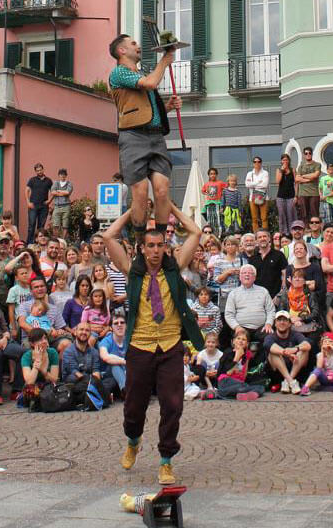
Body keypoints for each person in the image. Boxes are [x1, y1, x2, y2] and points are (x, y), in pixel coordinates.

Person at [104, 204, 203, 486]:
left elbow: (195, 231)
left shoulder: (175, 268)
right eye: (150, 245)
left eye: (160, 245)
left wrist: (169, 207)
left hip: (171, 346)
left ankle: (166, 461)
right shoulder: (131, 271)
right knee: (134, 408)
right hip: (140, 346)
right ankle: (133, 441)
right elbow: (110, 237)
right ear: (143, 248)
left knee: (173, 405)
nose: (156, 250)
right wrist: (135, 212)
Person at [108, 34, 182, 245]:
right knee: (140, 193)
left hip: (155, 135)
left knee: (161, 190)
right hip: (133, 136)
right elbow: (150, 83)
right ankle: (140, 242)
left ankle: (159, 240)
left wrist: (167, 107)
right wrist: (164, 62)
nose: (138, 46)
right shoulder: (119, 72)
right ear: (121, 51)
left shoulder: (138, 73)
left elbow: (148, 110)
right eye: (133, 44)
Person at [263, 311, 311, 394]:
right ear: (275, 323)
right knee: (273, 352)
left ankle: (287, 381)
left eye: (285, 320)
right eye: (279, 320)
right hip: (277, 371)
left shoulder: (296, 334)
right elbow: (267, 345)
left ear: (289, 324)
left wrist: (294, 349)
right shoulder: (271, 336)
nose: (282, 322)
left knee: (303, 350)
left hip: (295, 368)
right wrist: (286, 353)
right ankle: (291, 382)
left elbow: (307, 345)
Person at [224, 265, 275, 342]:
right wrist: (236, 327)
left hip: (261, 328)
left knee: (269, 338)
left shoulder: (263, 291)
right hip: (241, 328)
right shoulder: (233, 293)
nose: (247, 275)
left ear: (254, 277)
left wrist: (269, 324)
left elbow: (271, 310)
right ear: (240, 277)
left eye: (250, 273)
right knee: (239, 340)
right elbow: (229, 314)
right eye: (244, 273)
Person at [217, 327, 264, 401]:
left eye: (243, 339)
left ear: (247, 344)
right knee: (242, 386)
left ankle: (243, 394)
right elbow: (228, 373)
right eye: (238, 338)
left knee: (261, 387)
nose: (240, 341)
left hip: (239, 383)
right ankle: (219, 393)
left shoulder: (247, 354)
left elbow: (244, 374)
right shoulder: (228, 352)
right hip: (226, 380)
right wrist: (237, 356)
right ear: (233, 341)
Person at [249, 230, 288, 301]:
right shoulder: (252, 258)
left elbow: (284, 274)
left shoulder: (279, 255)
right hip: (257, 298)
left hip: (275, 298)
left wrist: (280, 295)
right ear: (256, 241)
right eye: (260, 237)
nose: (262, 239)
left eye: (264, 236)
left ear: (269, 239)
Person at [98, 315, 129, 394]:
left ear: (126, 326)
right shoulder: (106, 341)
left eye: (122, 322)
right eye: (116, 323)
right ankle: (126, 391)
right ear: (111, 328)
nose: (119, 325)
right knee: (115, 364)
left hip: (127, 372)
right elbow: (105, 357)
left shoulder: (129, 339)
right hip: (109, 376)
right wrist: (126, 362)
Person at [25, 162, 53, 243]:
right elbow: (26, 190)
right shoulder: (32, 180)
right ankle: (29, 243)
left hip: (44, 207)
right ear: (35, 171)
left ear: (43, 170)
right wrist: (28, 202)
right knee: (31, 226)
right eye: (37, 171)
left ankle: (39, 243)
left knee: (41, 227)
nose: (39, 172)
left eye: (40, 170)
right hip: (33, 206)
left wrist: (50, 200)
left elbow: (53, 191)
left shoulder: (48, 180)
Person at [245, 156, 269, 232]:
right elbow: (247, 185)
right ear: (253, 163)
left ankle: (264, 234)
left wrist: (253, 184)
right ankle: (256, 235)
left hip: (263, 197)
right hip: (252, 198)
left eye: (258, 161)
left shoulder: (265, 173)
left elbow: (265, 185)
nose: (257, 163)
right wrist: (258, 182)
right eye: (255, 162)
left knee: (264, 218)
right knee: (254, 218)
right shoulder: (249, 173)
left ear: (261, 163)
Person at [201, 167, 227, 237]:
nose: (213, 175)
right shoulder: (207, 184)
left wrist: (222, 193)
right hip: (209, 204)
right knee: (210, 220)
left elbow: (226, 188)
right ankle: (210, 235)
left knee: (217, 220)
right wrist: (206, 193)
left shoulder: (220, 183)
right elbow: (203, 191)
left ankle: (219, 236)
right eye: (211, 174)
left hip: (217, 203)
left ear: (217, 175)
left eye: (214, 174)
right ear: (209, 175)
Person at [49, 168, 73, 240]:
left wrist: (58, 191)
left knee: (65, 225)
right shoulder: (56, 183)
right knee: (55, 224)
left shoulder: (69, 183)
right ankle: (56, 240)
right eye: (61, 175)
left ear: (66, 176)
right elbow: (52, 192)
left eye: (64, 175)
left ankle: (63, 240)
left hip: (66, 206)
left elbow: (68, 192)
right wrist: (62, 192)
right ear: (59, 175)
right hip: (57, 206)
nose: (62, 176)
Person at [275, 153, 296, 236]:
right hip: (280, 196)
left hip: (291, 196)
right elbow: (278, 181)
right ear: (281, 161)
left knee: (291, 214)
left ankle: (291, 232)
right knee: (282, 215)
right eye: (283, 160)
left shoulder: (293, 170)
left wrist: (296, 196)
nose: (285, 161)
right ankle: (283, 233)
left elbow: (296, 183)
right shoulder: (279, 170)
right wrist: (282, 170)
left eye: (286, 160)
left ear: (289, 161)